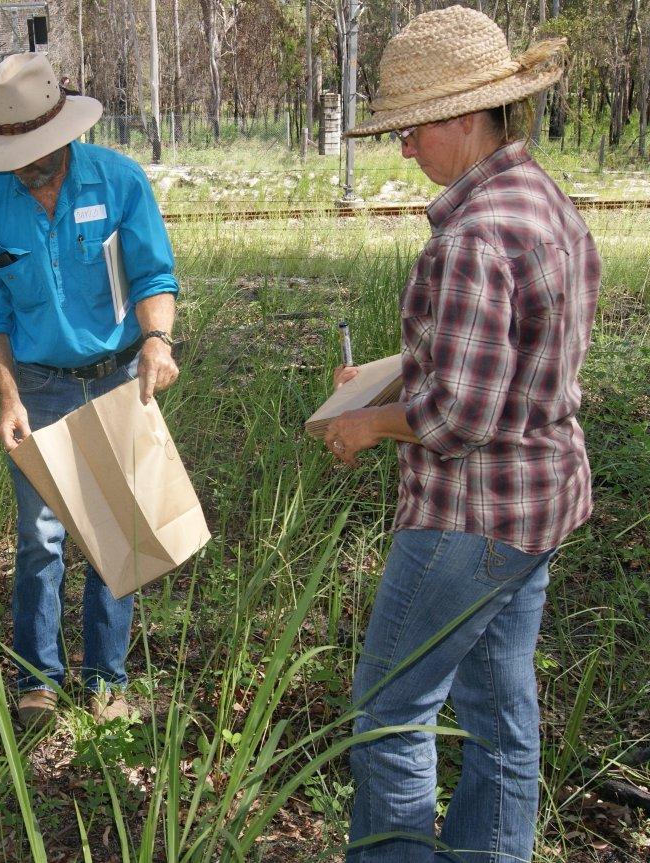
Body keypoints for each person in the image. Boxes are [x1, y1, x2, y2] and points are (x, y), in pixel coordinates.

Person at [323, 7, 598, 861]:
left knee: (392, 713)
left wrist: (368, 421)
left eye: (410, 130)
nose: (404, 148)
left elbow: (459, 416)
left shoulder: (470, 239)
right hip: (537, 505)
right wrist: (389, 366)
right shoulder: (541, 198)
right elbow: (506, 354)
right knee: (499, 717)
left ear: (462, 116)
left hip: (467, 521)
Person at [0, 53, 181, 725]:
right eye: (12, 154)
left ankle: (107, 679)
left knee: (119, 532)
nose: (26, 167)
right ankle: (37, 681)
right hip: (40, 387)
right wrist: (7, 397)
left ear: (63, 135)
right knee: (40, 538)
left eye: (38, 153)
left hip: (116, 378)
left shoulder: (120, 182)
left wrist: (157, 343)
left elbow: (153, 275)